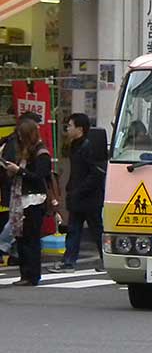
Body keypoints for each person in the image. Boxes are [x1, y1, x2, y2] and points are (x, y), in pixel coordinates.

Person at [48, 113, 106, 273]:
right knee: (74, 229)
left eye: (70, 125)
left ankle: (106, 259)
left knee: (96, 229)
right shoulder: (75, 145)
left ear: (80, 129)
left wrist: (79, 189)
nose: (67, 128)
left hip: (89, 197)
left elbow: (96, 173)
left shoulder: (88, 147)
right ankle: (68, 262)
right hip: (78, 196)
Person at [4, 118, 52, 286]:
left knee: (31, 239)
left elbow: (39, 177)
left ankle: (32, 275)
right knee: (21, 238)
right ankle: (25, 274)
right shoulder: (26, 152)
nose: (20, 140)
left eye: (22, 136)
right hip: (21, 201)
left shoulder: (41, 153)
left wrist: (19, 171)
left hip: (34, 201)